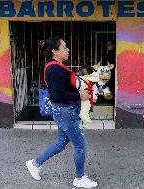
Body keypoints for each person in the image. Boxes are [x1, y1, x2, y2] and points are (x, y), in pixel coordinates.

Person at [25, 36, 98, 189]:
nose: (68, 49)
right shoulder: (54, 69)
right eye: (64, 47)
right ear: (55, 51)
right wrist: (79, 95)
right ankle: (79, 178)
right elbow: (57, 95)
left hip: (64, 110)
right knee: (80, 144)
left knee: (61, 142)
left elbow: (62, 90)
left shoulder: (56, 67)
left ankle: (35, 163)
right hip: (65, 111)